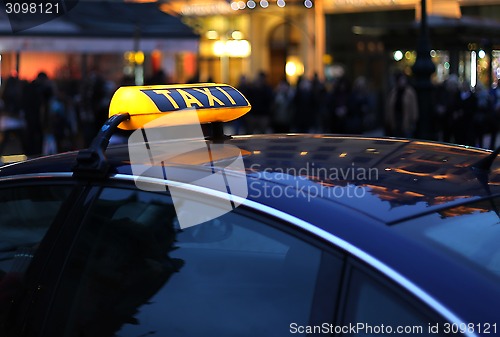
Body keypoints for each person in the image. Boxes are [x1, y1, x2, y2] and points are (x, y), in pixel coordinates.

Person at [385, 73, 418, 138]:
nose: (402, 82)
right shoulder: (394, 92)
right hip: (396, 121)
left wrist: (413, 120)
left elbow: (414, 107)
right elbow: (389, 106)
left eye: (403, 80)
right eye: (400, 80)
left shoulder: (410, 92)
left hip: (407, 122)